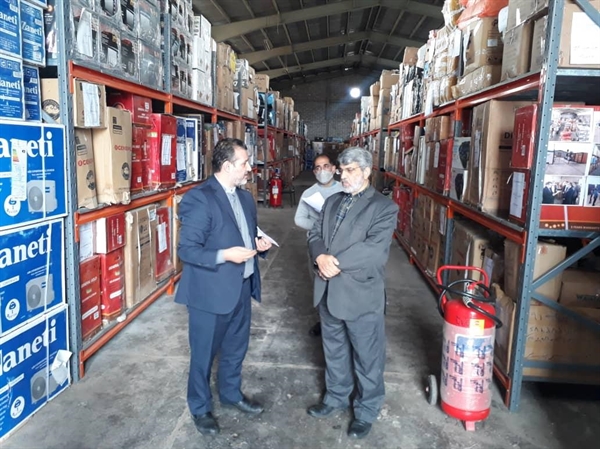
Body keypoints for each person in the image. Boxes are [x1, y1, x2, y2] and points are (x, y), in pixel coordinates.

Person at [175, 138, 272, 436]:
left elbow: (246, 232)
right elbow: (187, 250)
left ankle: (231, 394)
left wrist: (259, 244)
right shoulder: (199, 199)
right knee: (203, 354)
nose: (249, 168)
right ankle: (200, 407)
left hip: (241, 287)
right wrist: (225, 255)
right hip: (210, 292)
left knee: (235, 348)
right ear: (227, 166)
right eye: (244, 163)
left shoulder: (245, 198)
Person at [306, 147, 399, 440]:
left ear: (366, 172)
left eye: (350, 170)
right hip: (327, 290)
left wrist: (333, 264)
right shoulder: (332, 201)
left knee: (367, 356)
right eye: (341, 170)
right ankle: (335, 396)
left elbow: (373, 250)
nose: (342, 176)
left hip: (360, 294)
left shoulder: (383, 208)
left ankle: (366, 409)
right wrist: (320, 257)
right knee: (334, 349)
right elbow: (314, 234)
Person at [294, 154, 343, 337]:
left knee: (340, 284)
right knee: (320, 284)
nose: (322, 171)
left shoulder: (344, 190)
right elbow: (299, 219)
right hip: (317, 245)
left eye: (326, 166)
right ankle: (323, 321)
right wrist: (320, 227)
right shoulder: (309, 194)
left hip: (341, 245)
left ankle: (340, 320)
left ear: (334, 168)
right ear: (314, 172)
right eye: (318, 168)